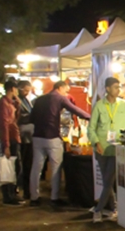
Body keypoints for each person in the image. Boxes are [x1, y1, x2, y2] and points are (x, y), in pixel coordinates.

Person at [28, 79, 90, 207]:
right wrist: (91, 117)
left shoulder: (40, 99)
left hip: (37, 137)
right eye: (66, 90)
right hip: (52, 137)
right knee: (56, 168)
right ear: (61, 88)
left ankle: (34, 197)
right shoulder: (60, 98)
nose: (67, 94)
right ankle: (54, 198)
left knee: (36, 168)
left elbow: (32, 118)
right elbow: (75, 110)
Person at [87, 77, 125, 222]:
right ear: (107, 89)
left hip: (117, 149)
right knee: (108, 181)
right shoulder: (99, 105)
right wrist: (96, 142)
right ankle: (114, 208)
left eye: (119, 87)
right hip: (102, 148)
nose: (118, 90)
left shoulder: (124, 105)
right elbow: (91, 128)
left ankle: (98, 210)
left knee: (108, 180)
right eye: (115, 87)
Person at [0, 78, 22, 205]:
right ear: (12, 89)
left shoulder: (10, 103)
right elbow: (4, 125)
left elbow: (15, 119)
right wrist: (6, 145)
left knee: (15, 167)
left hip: (13, 136)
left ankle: (12, 193)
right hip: (9, 138)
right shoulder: (4, 104)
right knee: (9, 167)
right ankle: (8, 196)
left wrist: (18, 104)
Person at [16, 80, 35, 200]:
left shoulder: (26, 100)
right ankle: (22, 188)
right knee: (22, 164)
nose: (27, 93)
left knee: (29, 164)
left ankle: (28, 190)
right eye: (26, 90)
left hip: (29, 137)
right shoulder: (16, 101)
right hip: (21, 136)